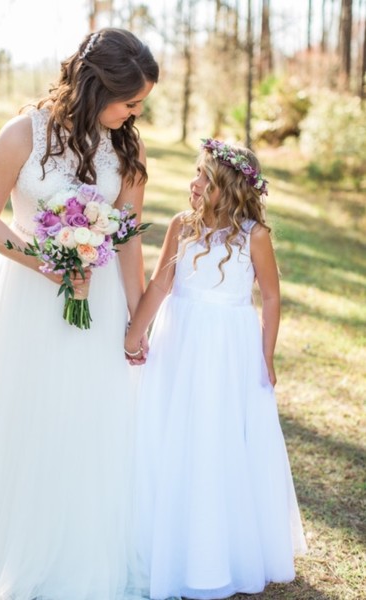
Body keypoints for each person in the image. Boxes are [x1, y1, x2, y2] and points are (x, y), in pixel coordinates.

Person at [0, 28, 158, 600]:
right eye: (130, 102)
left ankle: (83, 529)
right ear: (97, 90)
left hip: (95, 301)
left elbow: (126, 239)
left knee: (91, 414)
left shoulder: (128, 148)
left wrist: (136, 318)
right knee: (32, 410)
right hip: (28, 297)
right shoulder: (22, 134)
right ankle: (19, 529)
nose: (135, 113)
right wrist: (44, 261)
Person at [124, 139, 307, 600]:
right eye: (196, 174)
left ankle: (218, 547)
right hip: (179, 341)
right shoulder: (181, 226)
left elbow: (269, 295)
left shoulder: (254, 236)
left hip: (230, 350)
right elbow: (161, 282)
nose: (194, 183)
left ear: (226, 188)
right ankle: (165, 533)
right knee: (172, 431)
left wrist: (266, 352)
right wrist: (135, 332)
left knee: (219, 436)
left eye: (203, 177)